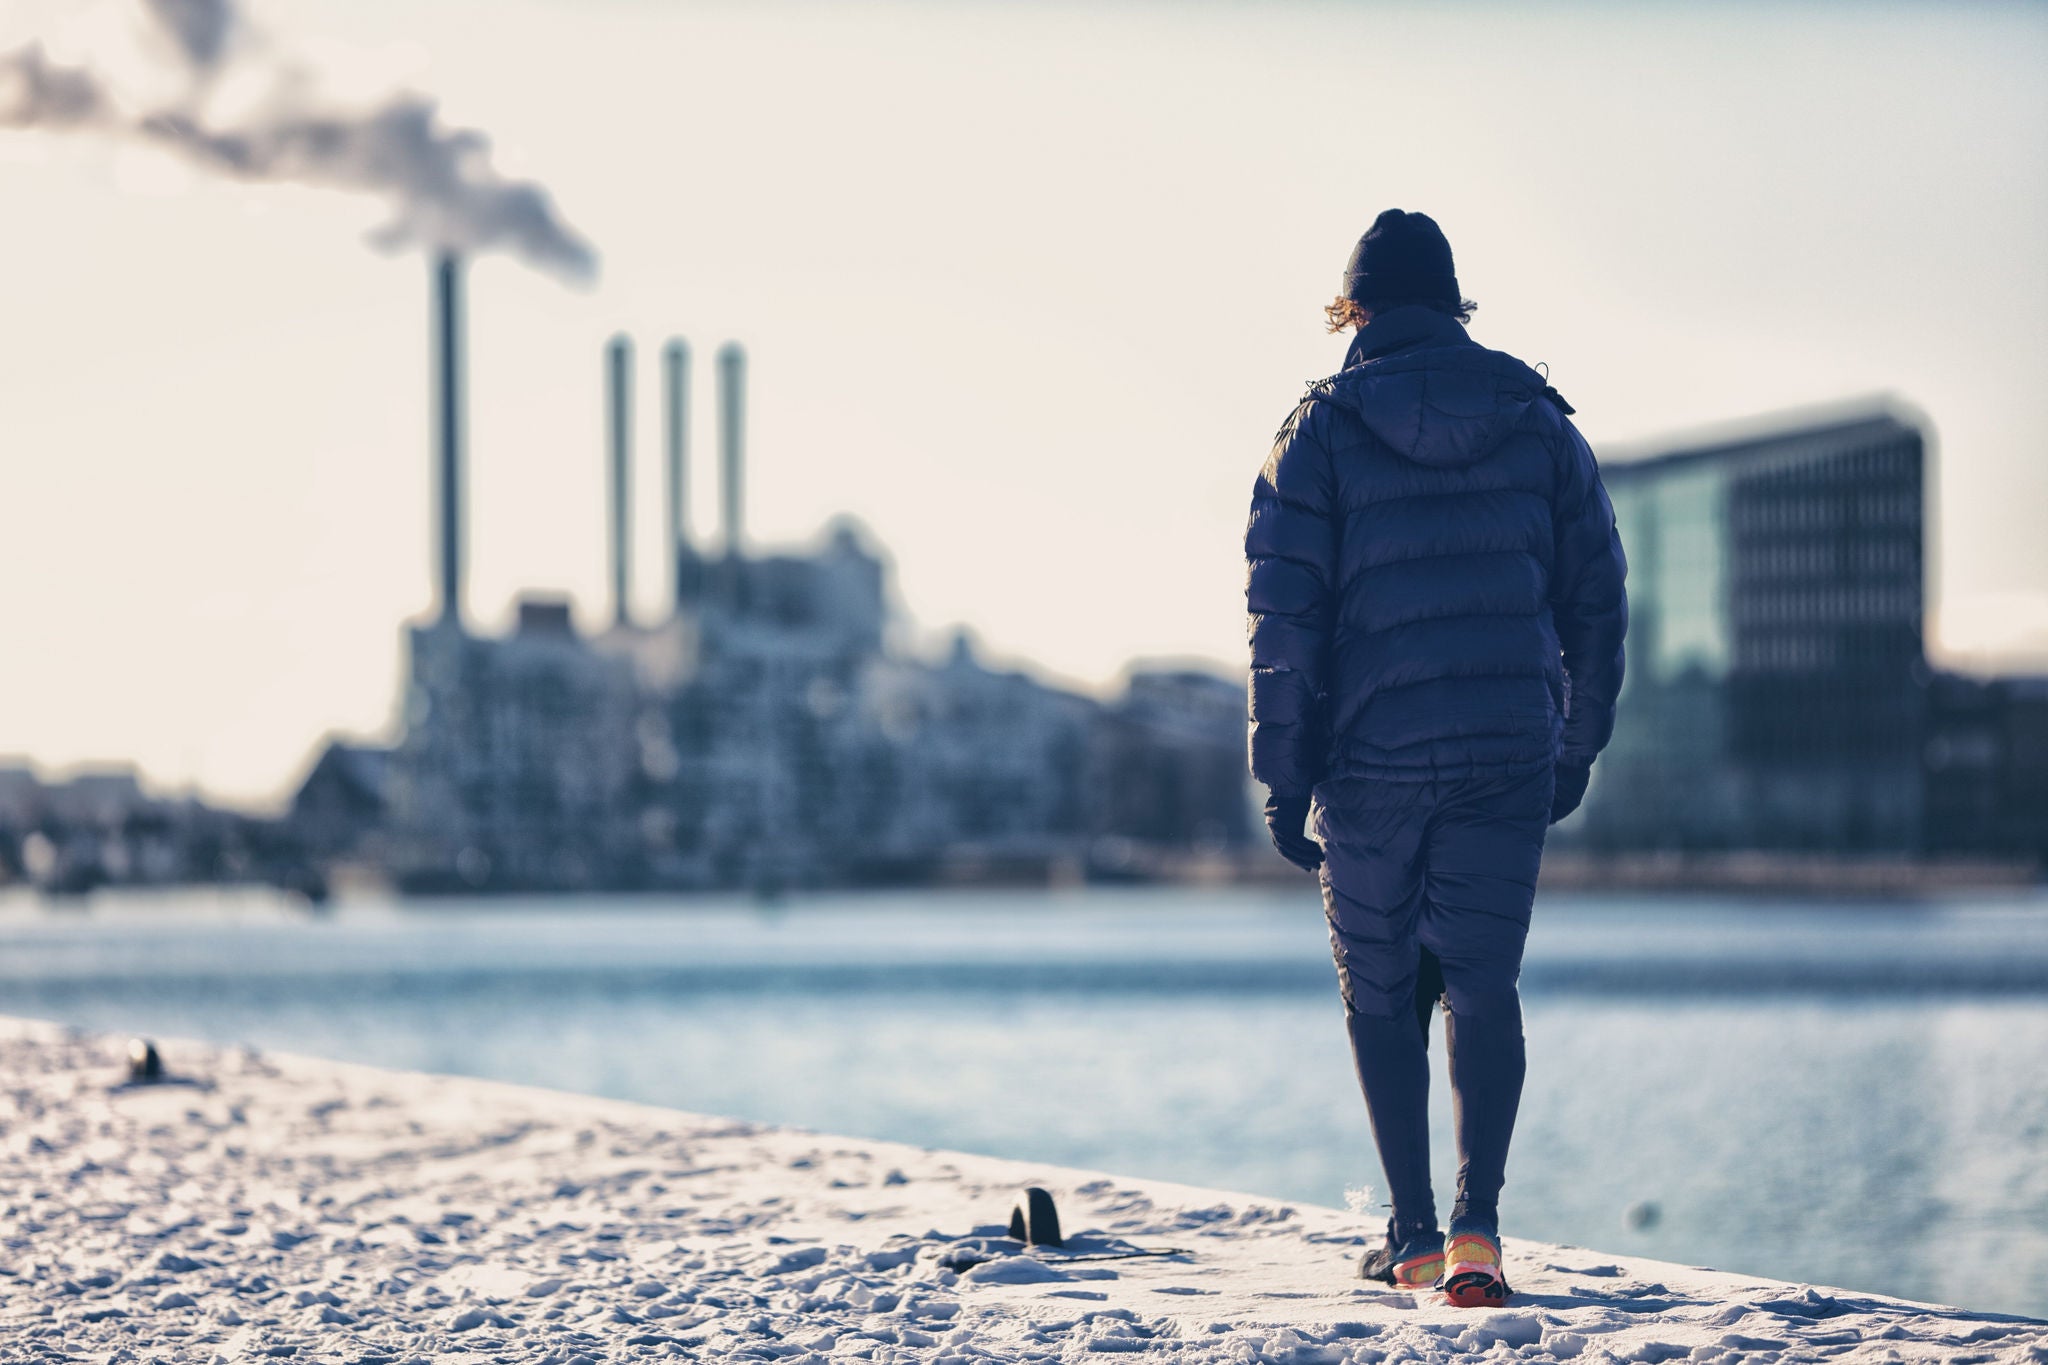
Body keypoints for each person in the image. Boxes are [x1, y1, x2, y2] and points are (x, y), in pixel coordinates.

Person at [1243, 209, 1627, 1307]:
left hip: (1367, 760)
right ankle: (1477, 1234)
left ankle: (1409, 1237)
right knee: (1480, 981)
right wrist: (1575, 746)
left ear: (1353, 309)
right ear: (1452, 303)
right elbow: (1595, 600)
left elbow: (1285, 620)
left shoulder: (1313, 431)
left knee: (1376, 988)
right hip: (1506, 746)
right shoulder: (1536, 421)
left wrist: (1283, 774)